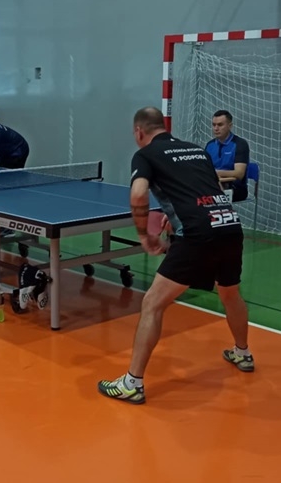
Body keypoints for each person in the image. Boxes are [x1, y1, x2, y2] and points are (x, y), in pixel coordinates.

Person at [97, 107, 255, 405]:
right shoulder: (196, 150)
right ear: (164, 126)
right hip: (229, 225)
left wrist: (145, 235)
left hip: (197, 234)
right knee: (230, 293)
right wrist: (176, 217)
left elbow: (138, 194)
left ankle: (132, 383)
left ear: (139, 132)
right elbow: (209, 188)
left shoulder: (145, 155)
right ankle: (243, 352)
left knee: (152, 303)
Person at [204, 110, 250, 202]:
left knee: (205, 198)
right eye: (214, 125)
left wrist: (216, 173)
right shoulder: (210, 145)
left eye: (220, 125)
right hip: (213, 185)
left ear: (230, 126)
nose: (216, 128)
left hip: (235, 188)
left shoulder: (240, 144)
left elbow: (239, 174)